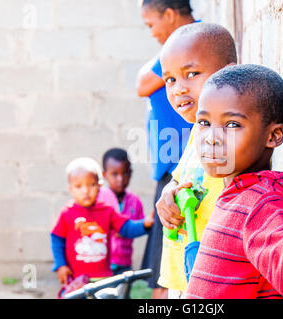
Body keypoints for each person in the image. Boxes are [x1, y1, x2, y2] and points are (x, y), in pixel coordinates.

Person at [186, 64, 283, 299]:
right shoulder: (235, 194)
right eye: (204, 123)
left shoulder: (260, 203)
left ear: (273, 136)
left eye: (232, 125)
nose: (211, 138)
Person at [155, 22, 237, 298]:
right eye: (170, 79)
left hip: (214, 275)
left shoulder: (234, 135)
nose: (178, 89)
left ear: (227, 73)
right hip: (182, 273)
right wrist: (168, 194)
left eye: (191, 74)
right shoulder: (197, 131)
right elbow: (180, 177)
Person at [137, 0, 196, 299]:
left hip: (181, 164)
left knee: (166, 273)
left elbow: (143, 83)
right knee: (164, 267)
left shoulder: (190, 41)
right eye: (171, 79)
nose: (151, 33)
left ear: (170, 15)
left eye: (151, 24)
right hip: (171, 167)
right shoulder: (179, 45)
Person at [50, 157, 154, 289]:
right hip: (76, 280)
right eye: (78, 186)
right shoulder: (67, 213)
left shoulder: (107, 210)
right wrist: (60, 265)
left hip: (103, 279)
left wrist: (145, 224)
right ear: (71, 189)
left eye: (91, 185)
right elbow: (56, 239)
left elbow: (126, 228)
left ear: (99, 186)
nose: (85, 191)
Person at [97, 148, 145, 276]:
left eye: (125, 173)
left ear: (130, 173)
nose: (120, 179)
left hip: (125, 262)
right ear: (104, 174)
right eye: (115, 174)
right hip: (103, 263)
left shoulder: (135, 201)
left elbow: (140, 226)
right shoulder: (99, 198)